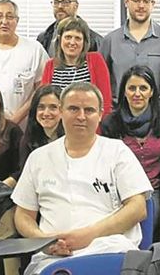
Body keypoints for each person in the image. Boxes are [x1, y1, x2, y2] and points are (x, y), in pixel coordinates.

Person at [11, 82, 152, 275]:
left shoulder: (117, 151)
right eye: (73, 108)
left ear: (101, 114)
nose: (81, 116)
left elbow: (138, 208)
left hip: (109, 249)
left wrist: (87, 236)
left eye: (89, 110)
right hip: (54, 258)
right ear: (61, 111)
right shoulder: (39, 158)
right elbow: (23, 215)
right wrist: (44, 241)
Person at [101, 65, 160, 238]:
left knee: (150, 221)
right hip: (122, 190)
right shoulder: (110, 123)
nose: (137, 93)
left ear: (152, 92)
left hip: (155, 189)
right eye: (132, 88)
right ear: (124, 92)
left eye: (143, 88)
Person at [101, 0, 160, 103]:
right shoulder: (110, 41)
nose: (141, 6)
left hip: (158, 117)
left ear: (153, 4)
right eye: (136, 0)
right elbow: (102, 84)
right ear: (126, 2)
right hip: (119, 117)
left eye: (146, 1)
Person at [41, 16, 112, 116]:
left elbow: (105, 103)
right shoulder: (50, 65)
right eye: (68, 37)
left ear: (84, 42)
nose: (72, 42)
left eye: (78, 38)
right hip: (58, 127)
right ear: (60, 39)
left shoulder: (96, 60)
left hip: (89, 126)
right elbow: (44, 102)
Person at [36, 0, 103, 57]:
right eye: (56, 2)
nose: (60, 6)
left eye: (65, 2)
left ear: (76, 6)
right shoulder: (43, 38)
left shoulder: (95, 40)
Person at [19, 85, 64, 161]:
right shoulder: (28, 140)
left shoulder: (72, 140)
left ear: (63, 111)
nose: (46, 113)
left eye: (53, 107)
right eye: (41, 107)